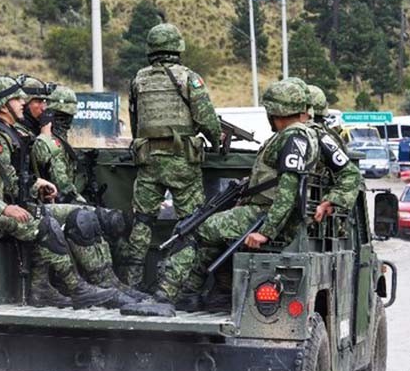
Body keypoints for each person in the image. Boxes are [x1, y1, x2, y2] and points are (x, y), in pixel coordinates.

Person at [123, 79, 319, 317]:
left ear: (275, 111)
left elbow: (288, 191)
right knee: (210, 238)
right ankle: (189, 295)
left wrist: (266, 231)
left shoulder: (292, 137)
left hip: (263, 215)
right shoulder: (304, 136)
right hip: (267, 214)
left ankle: (164, 295)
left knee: (192, 231)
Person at [0, 82, 118, 309]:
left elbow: (4, 177)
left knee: (46, 219)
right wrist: (4, 208)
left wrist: (35, 187)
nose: (24, 103)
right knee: (42, 226)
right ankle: (76, 288)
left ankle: (43, 289)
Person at [121, 23, 222, 288]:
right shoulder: (188, 77)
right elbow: (206, 119)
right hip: (181, 161)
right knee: (190, 223)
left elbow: (136, 122)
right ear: (178, 47)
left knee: (142, 220)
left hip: (148, 160)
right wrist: (215, 141)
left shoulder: (138, 79)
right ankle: (179, 284)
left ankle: (132, 283)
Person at [30, 85, 148, 302]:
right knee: (90, 218)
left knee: (114, 220)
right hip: (46, 203)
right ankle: (104, 282)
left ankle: (118, 282)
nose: (65, 121)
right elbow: (61, 182)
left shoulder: (58, 140)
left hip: (55, 199)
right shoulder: (45, 140)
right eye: (61, 117)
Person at [303, 83, 363, 218]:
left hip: (313, 208)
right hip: (316, 209)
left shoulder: (319, 136)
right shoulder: (327, 136)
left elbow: (351, 175)